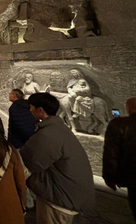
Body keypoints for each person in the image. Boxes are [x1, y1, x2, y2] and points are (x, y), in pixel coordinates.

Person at [20, 93, 94, 224]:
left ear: (40, 110)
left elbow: (30, 161)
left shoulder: (48, 134)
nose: (30, 111)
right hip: (70, 193)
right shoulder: (58, 128)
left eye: (32, 107)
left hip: (60, 199)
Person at [103, 97, 136, 221]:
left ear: (128, 108)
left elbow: (111, 152)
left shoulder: (119, 124)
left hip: (133, 176)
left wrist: (109, 176)